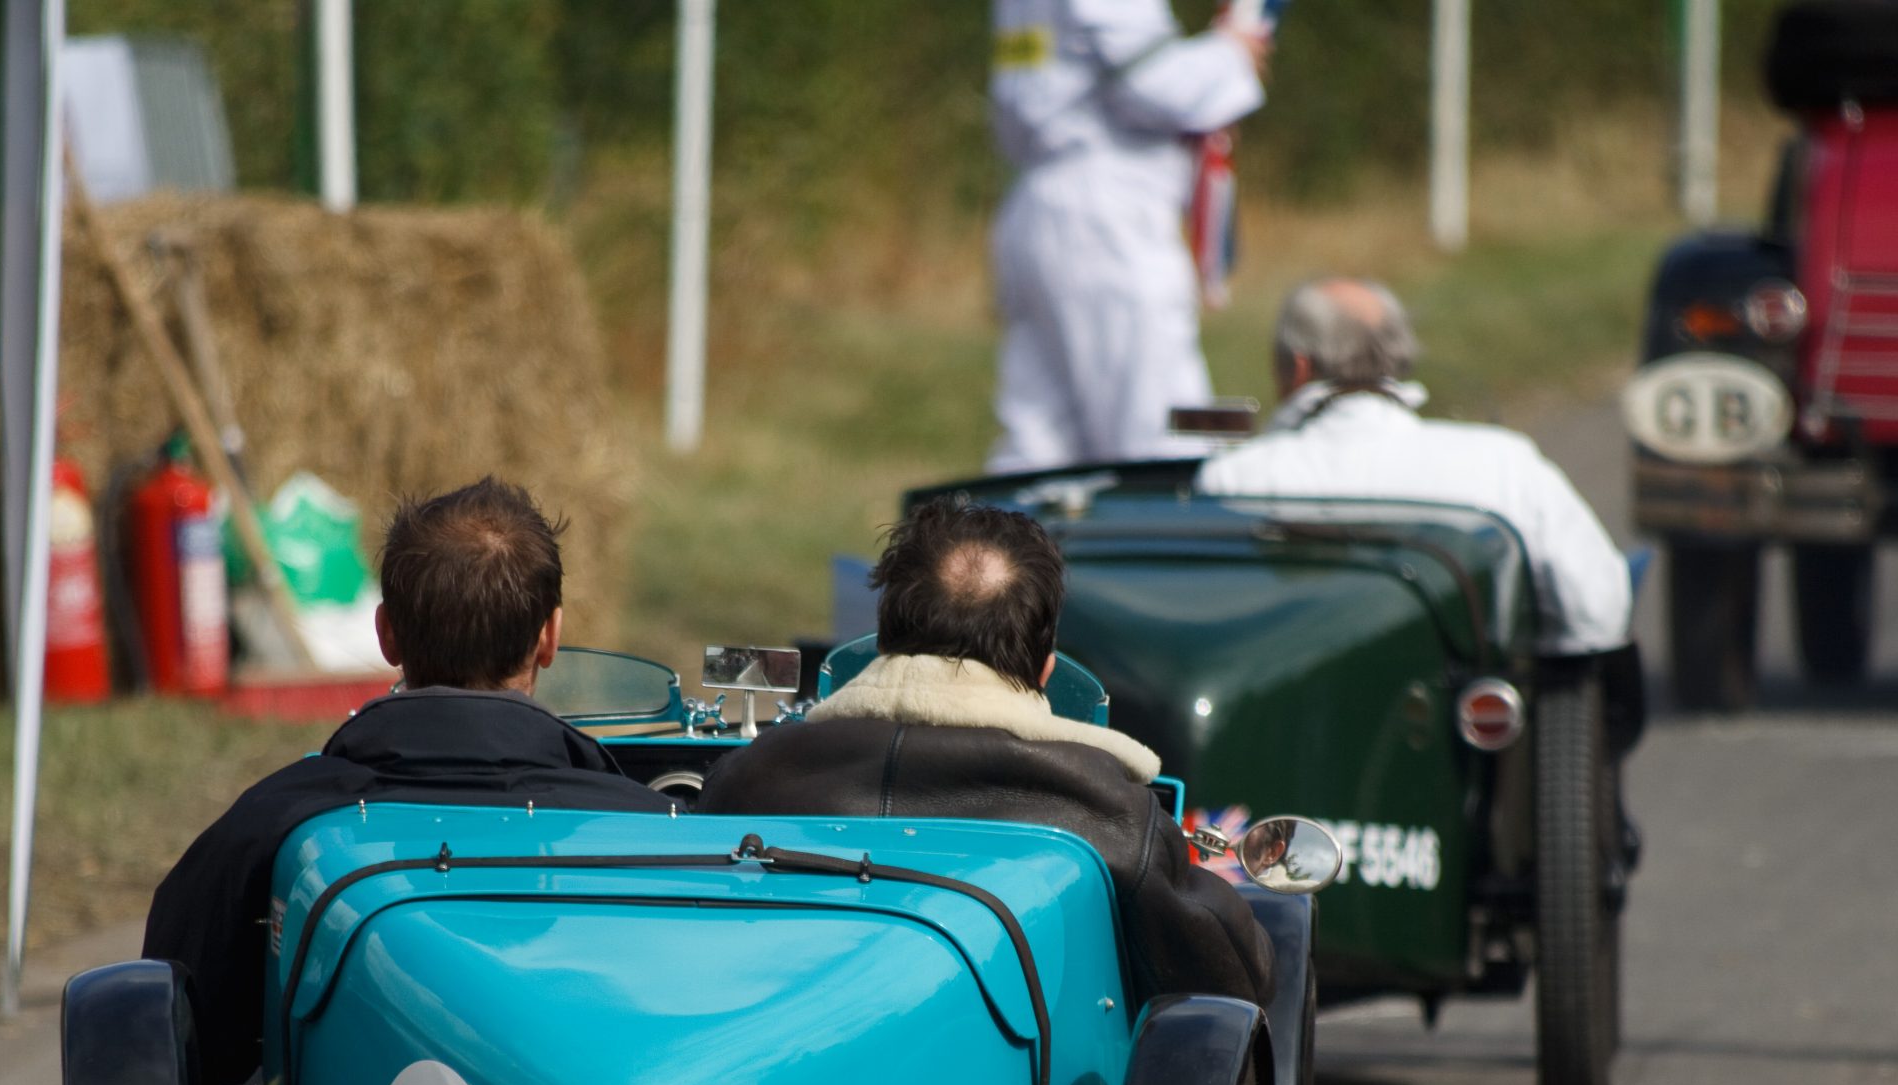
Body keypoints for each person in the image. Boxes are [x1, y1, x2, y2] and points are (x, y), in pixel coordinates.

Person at [144, 479, 667, 1085]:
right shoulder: (649, 834)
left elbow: (181, 1027)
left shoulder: (267, 824)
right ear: (550, 636)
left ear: (385, 634)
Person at [698, 495, 1274, 1005]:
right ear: (1046, 670)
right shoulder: (1107, 806)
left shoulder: (749, 778)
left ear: (881, 645)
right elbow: (1238, 975)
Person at [1194, 279, 1637, 659]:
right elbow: (1597, 610)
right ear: (1397, 357)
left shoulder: (1231, 479)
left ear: (1298, 368)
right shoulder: (1503, 464)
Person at [987, 0, 1269, 474]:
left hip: (1042, 202)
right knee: (1165, 439)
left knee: (1040, 448)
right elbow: (1154, 82)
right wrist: (1230, 54)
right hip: (1108, 216)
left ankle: (1016, 546)